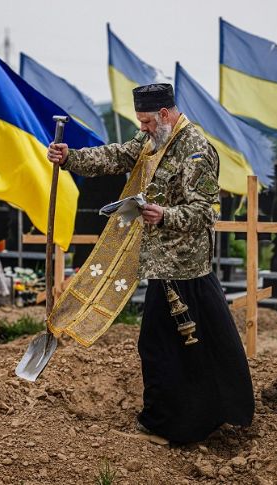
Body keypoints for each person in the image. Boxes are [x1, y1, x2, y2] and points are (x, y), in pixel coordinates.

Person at [47, 83, 254, 444]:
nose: (141, 129)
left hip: (183, 267)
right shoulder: (154, 140)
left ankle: (163, 424)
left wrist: (165, 215)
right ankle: (205, 413)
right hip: (162, 264)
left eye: (145, 121)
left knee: (158, 345)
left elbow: (205, 212)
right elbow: (116, 156)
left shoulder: (195, 150)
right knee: (196, 344)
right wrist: (71, 158)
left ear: (164, 114)